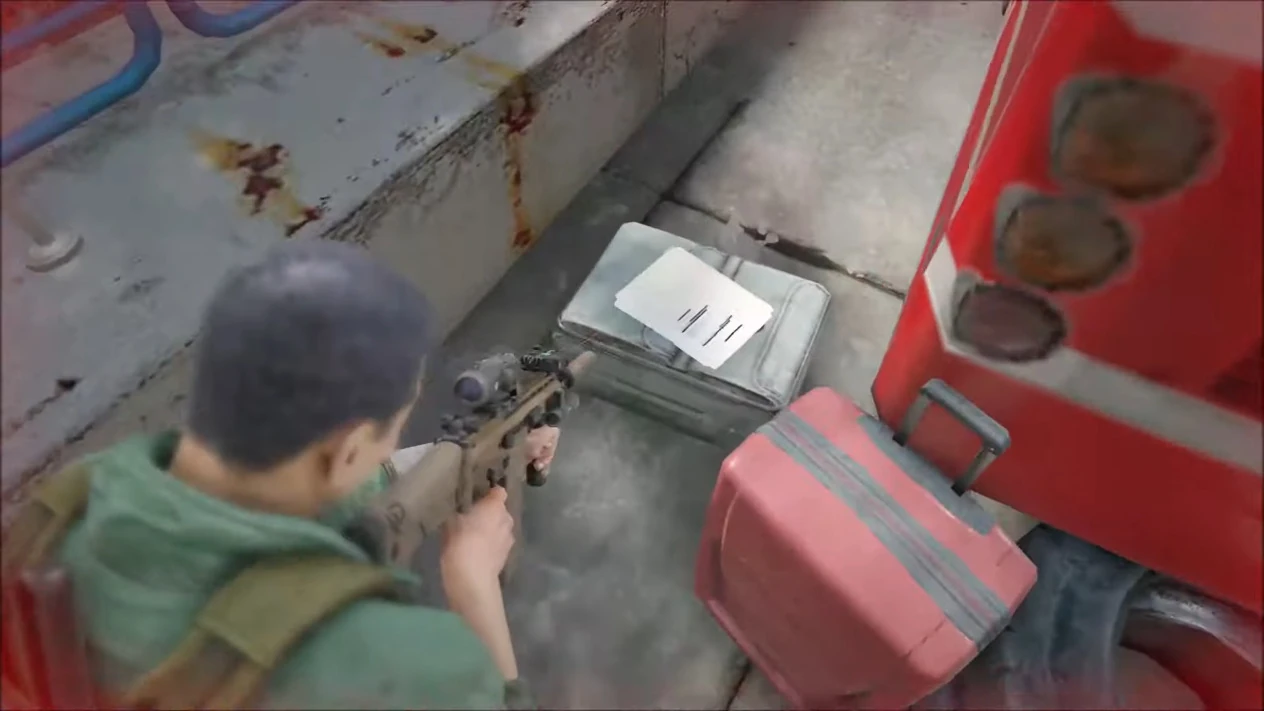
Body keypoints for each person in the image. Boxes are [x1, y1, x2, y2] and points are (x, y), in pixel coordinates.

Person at [47, 241, 557, 708]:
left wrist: (464, 461)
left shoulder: (76, 500)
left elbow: (337, 485)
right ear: (348, 451)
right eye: (387, 436)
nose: (387, 450)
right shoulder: (399, 660)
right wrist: (473, 584)